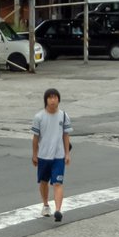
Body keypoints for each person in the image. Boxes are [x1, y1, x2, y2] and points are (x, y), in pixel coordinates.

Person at [31, 87, 72, 222]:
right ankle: (46, 205)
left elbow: (66, 136)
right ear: (46, 100)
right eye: (50, 97)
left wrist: (67, 154)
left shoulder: (64, 116)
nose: (53, 100)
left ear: (59, 100)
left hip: (58, 156)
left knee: (58, 183)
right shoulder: (39, 117)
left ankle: (58, 210)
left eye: (55, 97)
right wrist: (34, 154)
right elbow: (36, 138)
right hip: (43, 156)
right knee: (44, 182)